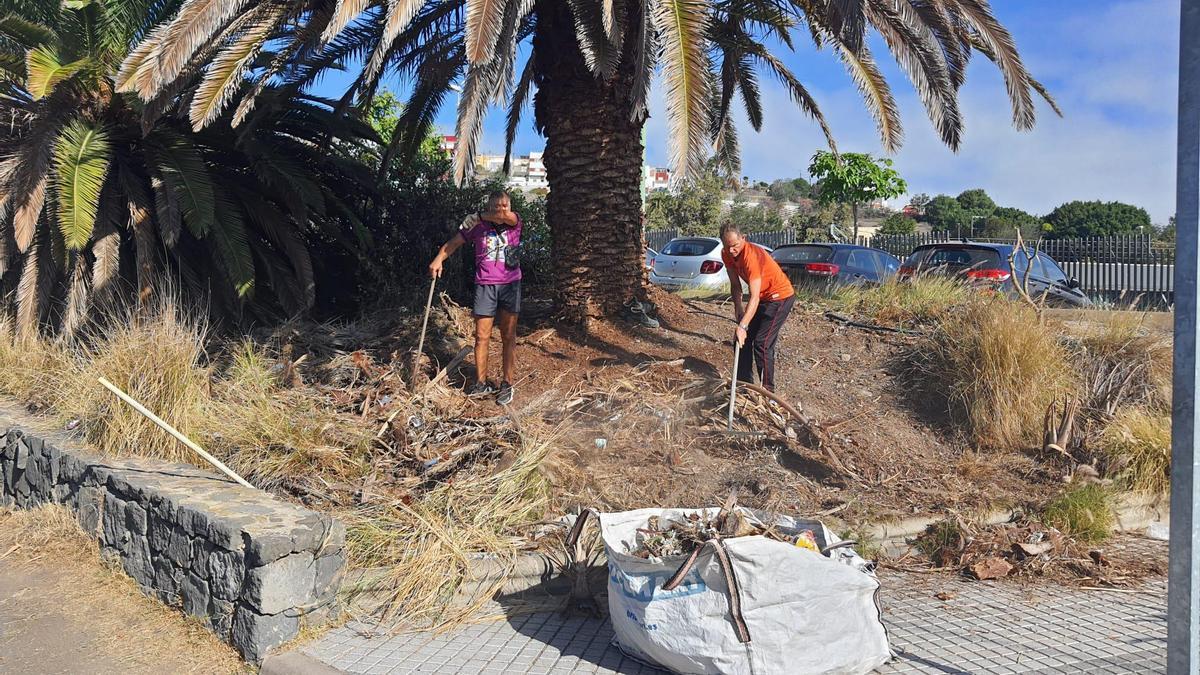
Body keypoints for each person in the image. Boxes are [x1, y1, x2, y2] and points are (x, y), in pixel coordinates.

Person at [428, 191, 522, 405]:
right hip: (485, 285)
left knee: (508, 335)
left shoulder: (514, 222)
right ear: (489, 207)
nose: (502, 210)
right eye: (497, 206)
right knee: (482, 336)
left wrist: (479, 215)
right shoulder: (477, 226)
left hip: (510, 284)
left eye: (505, 205)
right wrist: (438, 259)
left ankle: (507, 384)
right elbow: (453, 243)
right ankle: (481, 383)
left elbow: (506, 217)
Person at [719, 222, 795, 392]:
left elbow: (754, 297)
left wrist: (743, 325)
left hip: (780, 297)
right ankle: (744, 385)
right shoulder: (726, 254)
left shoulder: (751, 256)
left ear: (743, 238)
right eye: (727, 246)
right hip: (763, 297)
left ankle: (767, 392)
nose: (731, 250)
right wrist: (738, 309)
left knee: (763, 343)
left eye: (735, 246)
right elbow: (735, 285)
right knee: (741, 340)